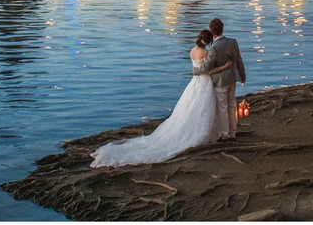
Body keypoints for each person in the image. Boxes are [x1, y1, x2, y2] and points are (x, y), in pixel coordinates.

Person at [90, 30, 231, 168]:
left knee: (191, 107)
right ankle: (206, 132)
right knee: (204, 107)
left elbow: (196, 68)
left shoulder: (192, 51)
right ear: (208, 41)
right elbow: (208, 70)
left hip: (194, 82)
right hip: (204, 82)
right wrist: (225, 67)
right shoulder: (206, 53)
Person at [203, 17, 246, 141]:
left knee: (222, 109)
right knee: (232, 106)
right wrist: (242, 76)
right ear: (223, 29)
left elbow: (208, 66)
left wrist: (197, 67)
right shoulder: (233, 41)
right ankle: (233, 133)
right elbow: (239, 60)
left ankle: (225, 134)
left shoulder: (214, 47)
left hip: (220, 81)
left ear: (211, 32)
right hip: (233, 78)